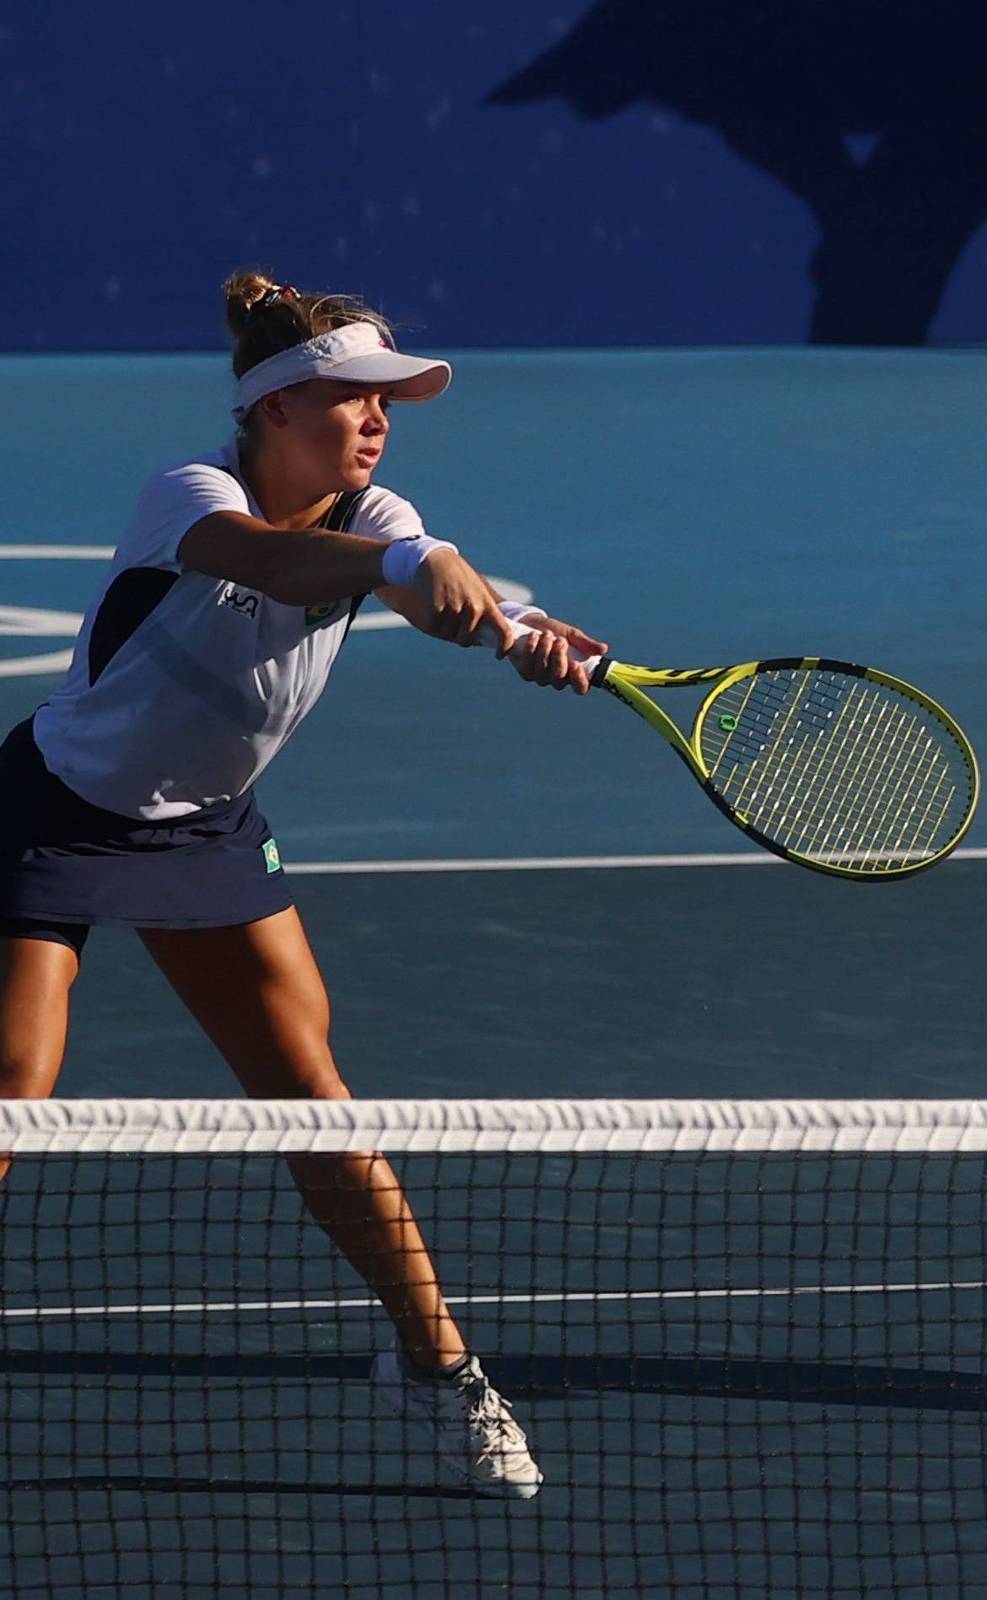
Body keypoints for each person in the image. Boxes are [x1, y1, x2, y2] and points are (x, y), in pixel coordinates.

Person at [0, 272, 605, 1496]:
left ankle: (438, 1371)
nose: (377, 420)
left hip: (209, 834)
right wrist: (402, 568)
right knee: (13, 1093)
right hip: (52, 813)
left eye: (390, 402)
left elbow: (428, 562)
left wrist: (518, 637)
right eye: (351, 398)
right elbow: (268, 563)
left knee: (320, 1108)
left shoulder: (387, 509)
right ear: (275, 407)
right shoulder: (193, 493)